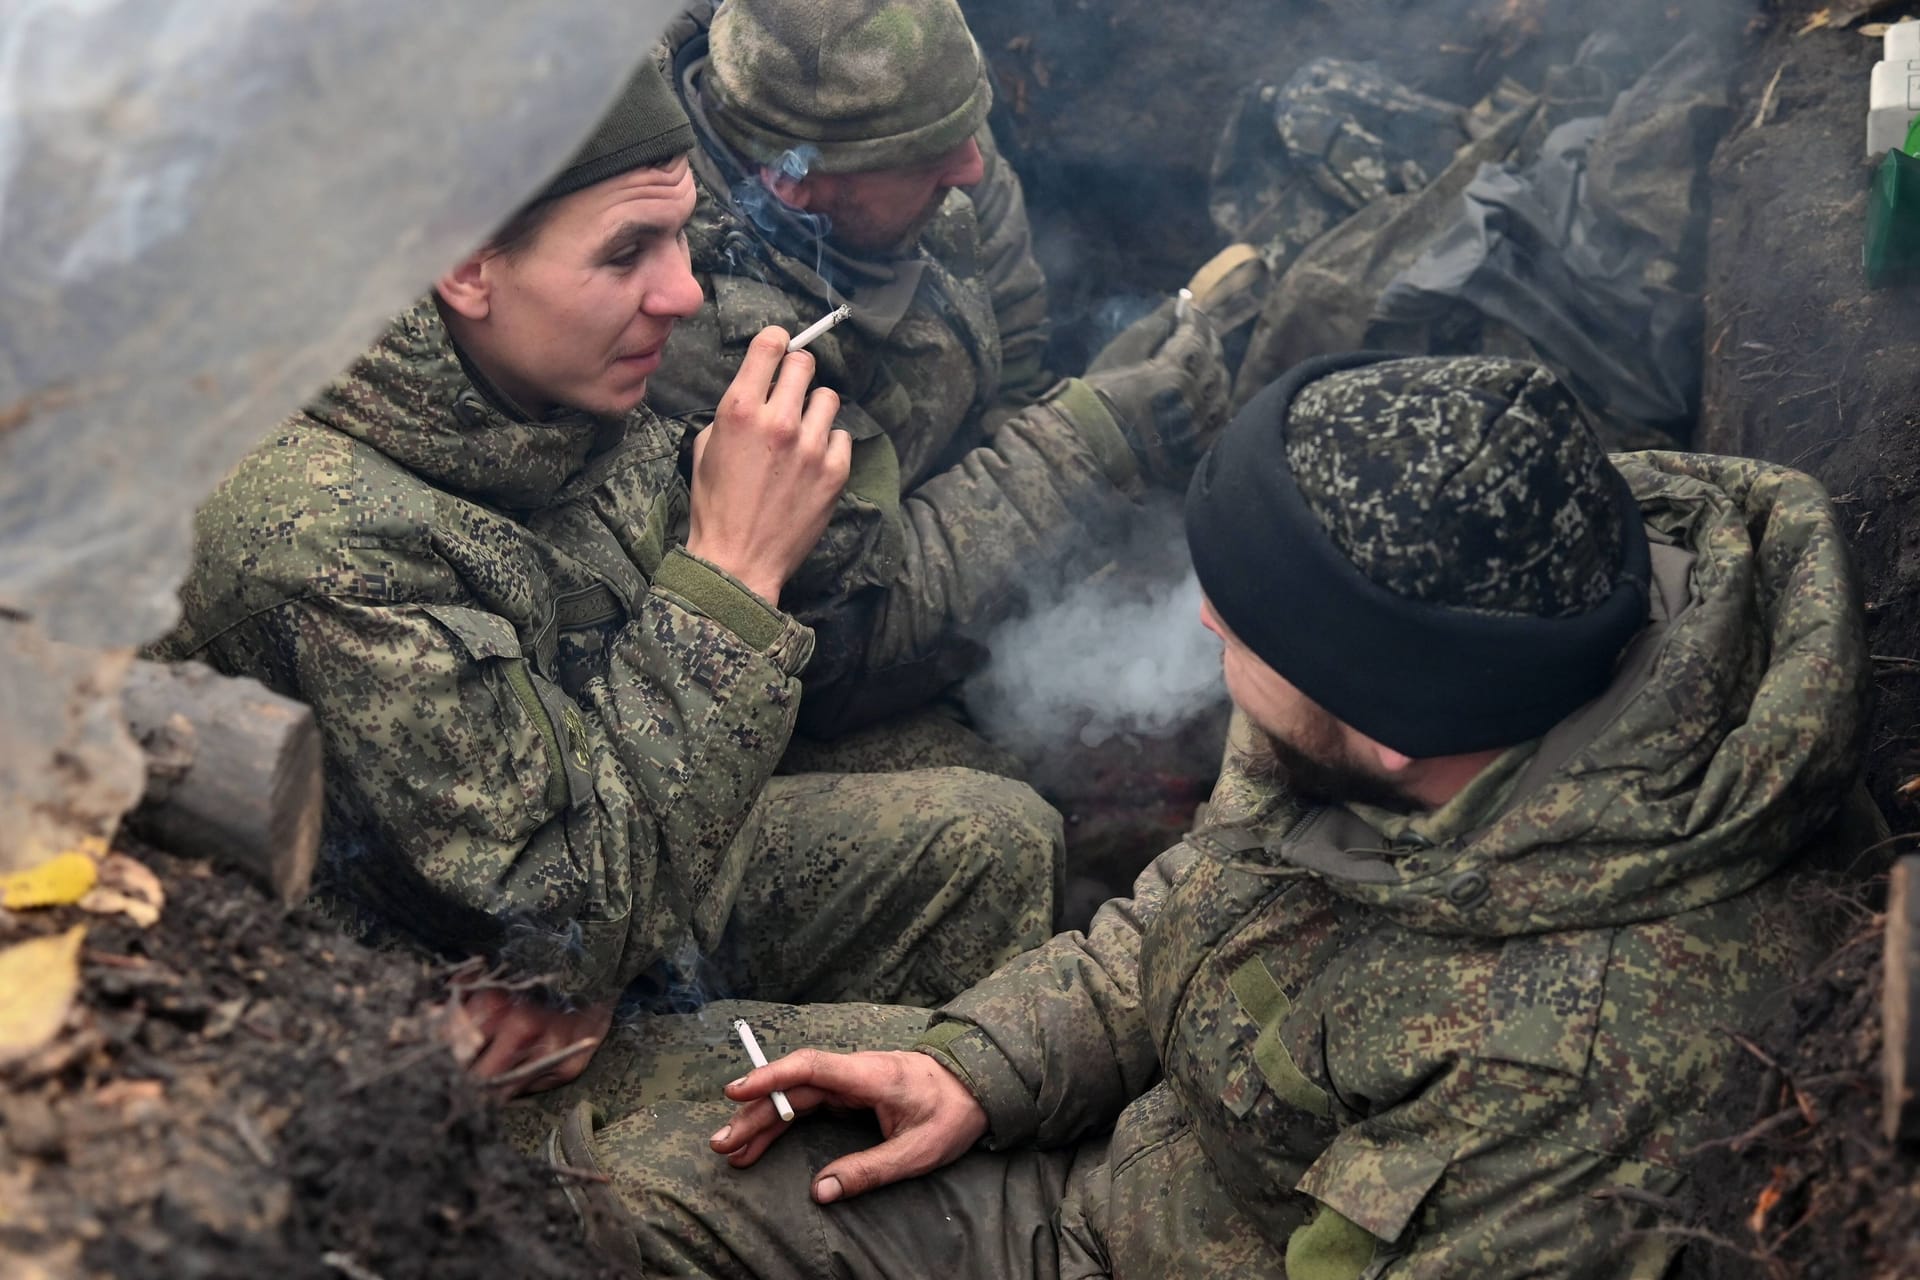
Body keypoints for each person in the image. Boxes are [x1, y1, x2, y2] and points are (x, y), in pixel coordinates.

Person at [538, 354, 1877, 1278]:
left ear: (1392, 721)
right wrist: (980, 1065)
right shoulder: (1441, 678)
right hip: (1139, 1164)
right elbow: (1209, 905)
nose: (1208, 620)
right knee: (607, 1146)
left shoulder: (1574, 1076)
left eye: (1246, 625)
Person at [156, 58, 1063, 1099]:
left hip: (610, 882)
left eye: (681, 234)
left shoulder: (530, 371)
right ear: (465, 266)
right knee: (853, 1127)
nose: (682, 292)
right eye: (629, 249)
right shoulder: (325, 539)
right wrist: (731, 574)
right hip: (451, 1049)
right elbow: (561, 914)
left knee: (998, 843)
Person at [653, 0, 1232, 747]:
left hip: (936, 519)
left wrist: (1041, 431)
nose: (972, 167)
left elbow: (1014, 319)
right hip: (792, 669)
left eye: (966, 127)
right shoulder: (693, 326)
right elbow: (837, 638)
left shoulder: (917, 108)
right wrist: (1089, 440)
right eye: (930, 162)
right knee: (985, 793)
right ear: (792, 179)